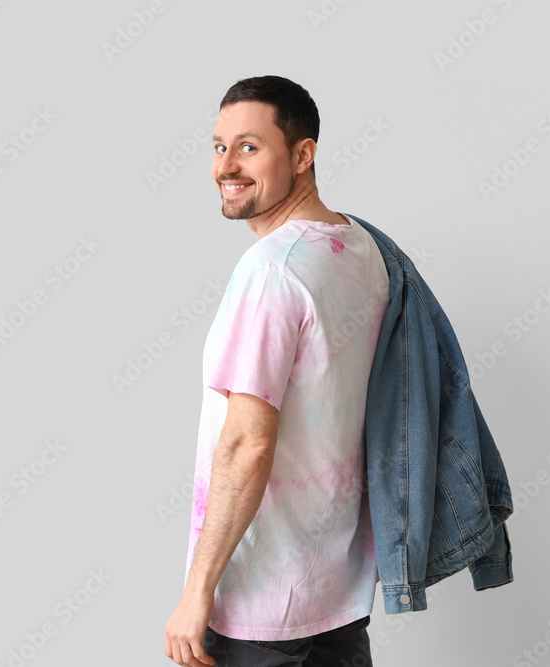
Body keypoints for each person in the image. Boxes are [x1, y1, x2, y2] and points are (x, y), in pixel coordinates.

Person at [164, 75, 388, 667]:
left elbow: (247, 443)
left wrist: (197, 592)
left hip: (259, 610)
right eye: (219, 146)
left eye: (249, 146)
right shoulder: (362, 248)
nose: (227, 165)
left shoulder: (271, 270)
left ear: (303, 154)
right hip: (335, 599)